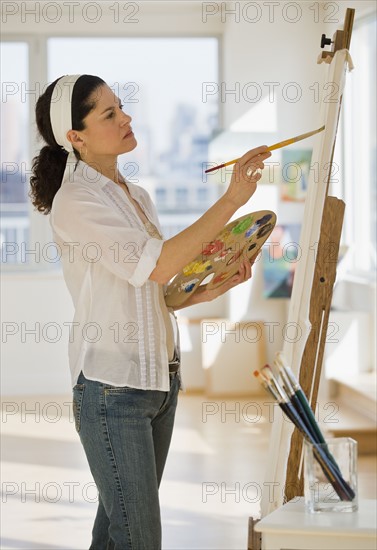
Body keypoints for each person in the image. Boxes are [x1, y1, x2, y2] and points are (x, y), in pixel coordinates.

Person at [29, 74, 271, 550]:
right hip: (112, 391)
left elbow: (154, 288)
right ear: (75, 138)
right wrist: (231, 200)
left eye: (121, 107)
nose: (126, 118)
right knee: (139, 538)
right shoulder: (75, 202)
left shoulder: (137, 197)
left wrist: (203, 290)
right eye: (110, 114)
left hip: (161, 383)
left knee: (117, 532)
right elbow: (158, 264)